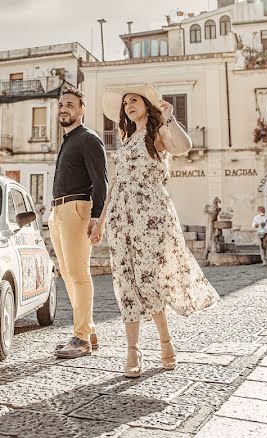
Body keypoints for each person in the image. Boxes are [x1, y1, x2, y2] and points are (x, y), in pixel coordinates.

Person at [90, 84, 219, 378]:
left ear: (147, 105)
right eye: (125, 103)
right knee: (125, 280)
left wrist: (169, 117)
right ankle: (132, 350)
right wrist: (100, 220)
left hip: (151, 215)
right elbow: (115, 185)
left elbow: (184, 147)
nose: (128, 105)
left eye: (134, 100)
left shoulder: (157, 135)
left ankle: (165, 342)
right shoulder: (125, 138)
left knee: (150, 279)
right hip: (121, 218)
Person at [49, 87, 108, 359]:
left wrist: (97, 218)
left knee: (79, 274)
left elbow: (101, 182)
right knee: (68, 273)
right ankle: (88, 330)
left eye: (70, 104)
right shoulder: (68, 140)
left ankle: (81, 338)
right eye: (61, 104)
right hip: (58, 212)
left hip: (78, 208)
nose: (64, 108)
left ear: (82, 109)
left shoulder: (88, 139)